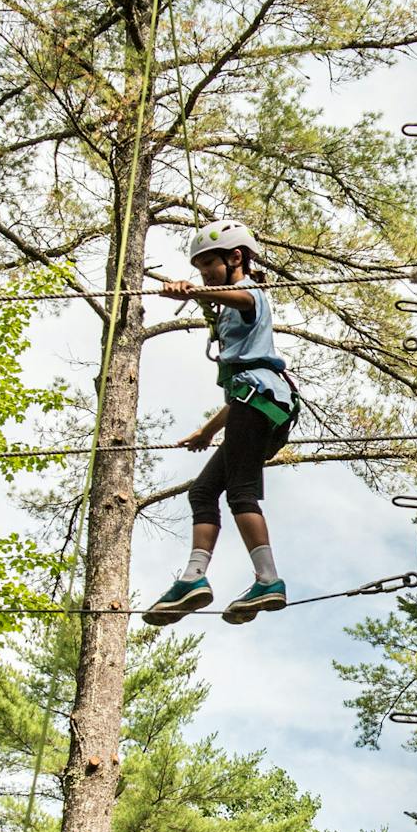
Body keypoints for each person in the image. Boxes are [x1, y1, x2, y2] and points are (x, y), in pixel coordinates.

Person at [142, 220, 294, 626]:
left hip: (261, 402)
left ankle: (268, 580)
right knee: (203, 492)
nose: (203, 273)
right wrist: (207, 432)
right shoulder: (227, 310)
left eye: (208, 264)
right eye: (199, 268)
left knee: (241, 491)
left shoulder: (252, 294)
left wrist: (194, 292)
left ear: (236, 257)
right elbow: (242, 392)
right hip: (256, 404)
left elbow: (243, 300)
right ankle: (194, 579)